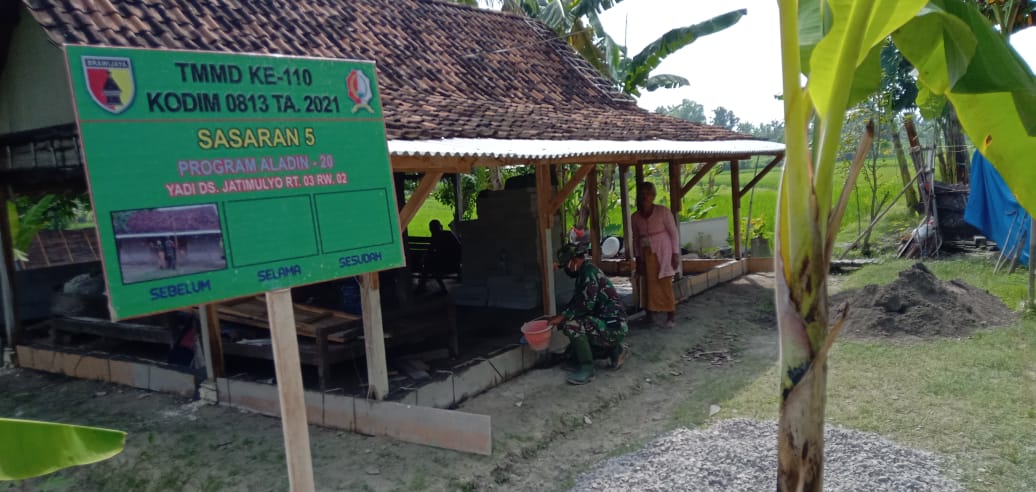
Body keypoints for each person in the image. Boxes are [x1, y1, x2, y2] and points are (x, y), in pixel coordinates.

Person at [546, 242, 630, 385]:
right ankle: (615, 350)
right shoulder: (585, 272)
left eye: (566, 265)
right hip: (606, 323)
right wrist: (560, 316)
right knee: (572, 332)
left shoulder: (589, 274)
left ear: (574, 260)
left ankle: (587, 369)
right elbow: (576, 302)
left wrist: (563, 317)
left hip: (613, 327)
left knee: (572, 326)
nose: (566, 269)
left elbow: (584, 305)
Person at [631, 182, 680, 328]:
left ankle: (670, 315)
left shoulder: (663, 212)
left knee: (664, 282)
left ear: (653, 196)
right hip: (646, 253)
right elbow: (635, 237)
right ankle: (650, 314)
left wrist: (675, 253)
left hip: (663, 251)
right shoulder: (635, 217)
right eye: (643, 193)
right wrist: (638, 257)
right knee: (647, 284)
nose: (645, 196)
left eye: (648, 193)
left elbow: (673, 234)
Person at [416, 219, 462, 294]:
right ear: (440, 227)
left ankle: (422, 286)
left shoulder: (435, 238)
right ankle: (424, 285)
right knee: (430, 264)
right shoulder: (447, 234)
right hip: (454, 264)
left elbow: (430, 251)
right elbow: (458, 248)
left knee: (429, 265)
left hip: (446, 265)